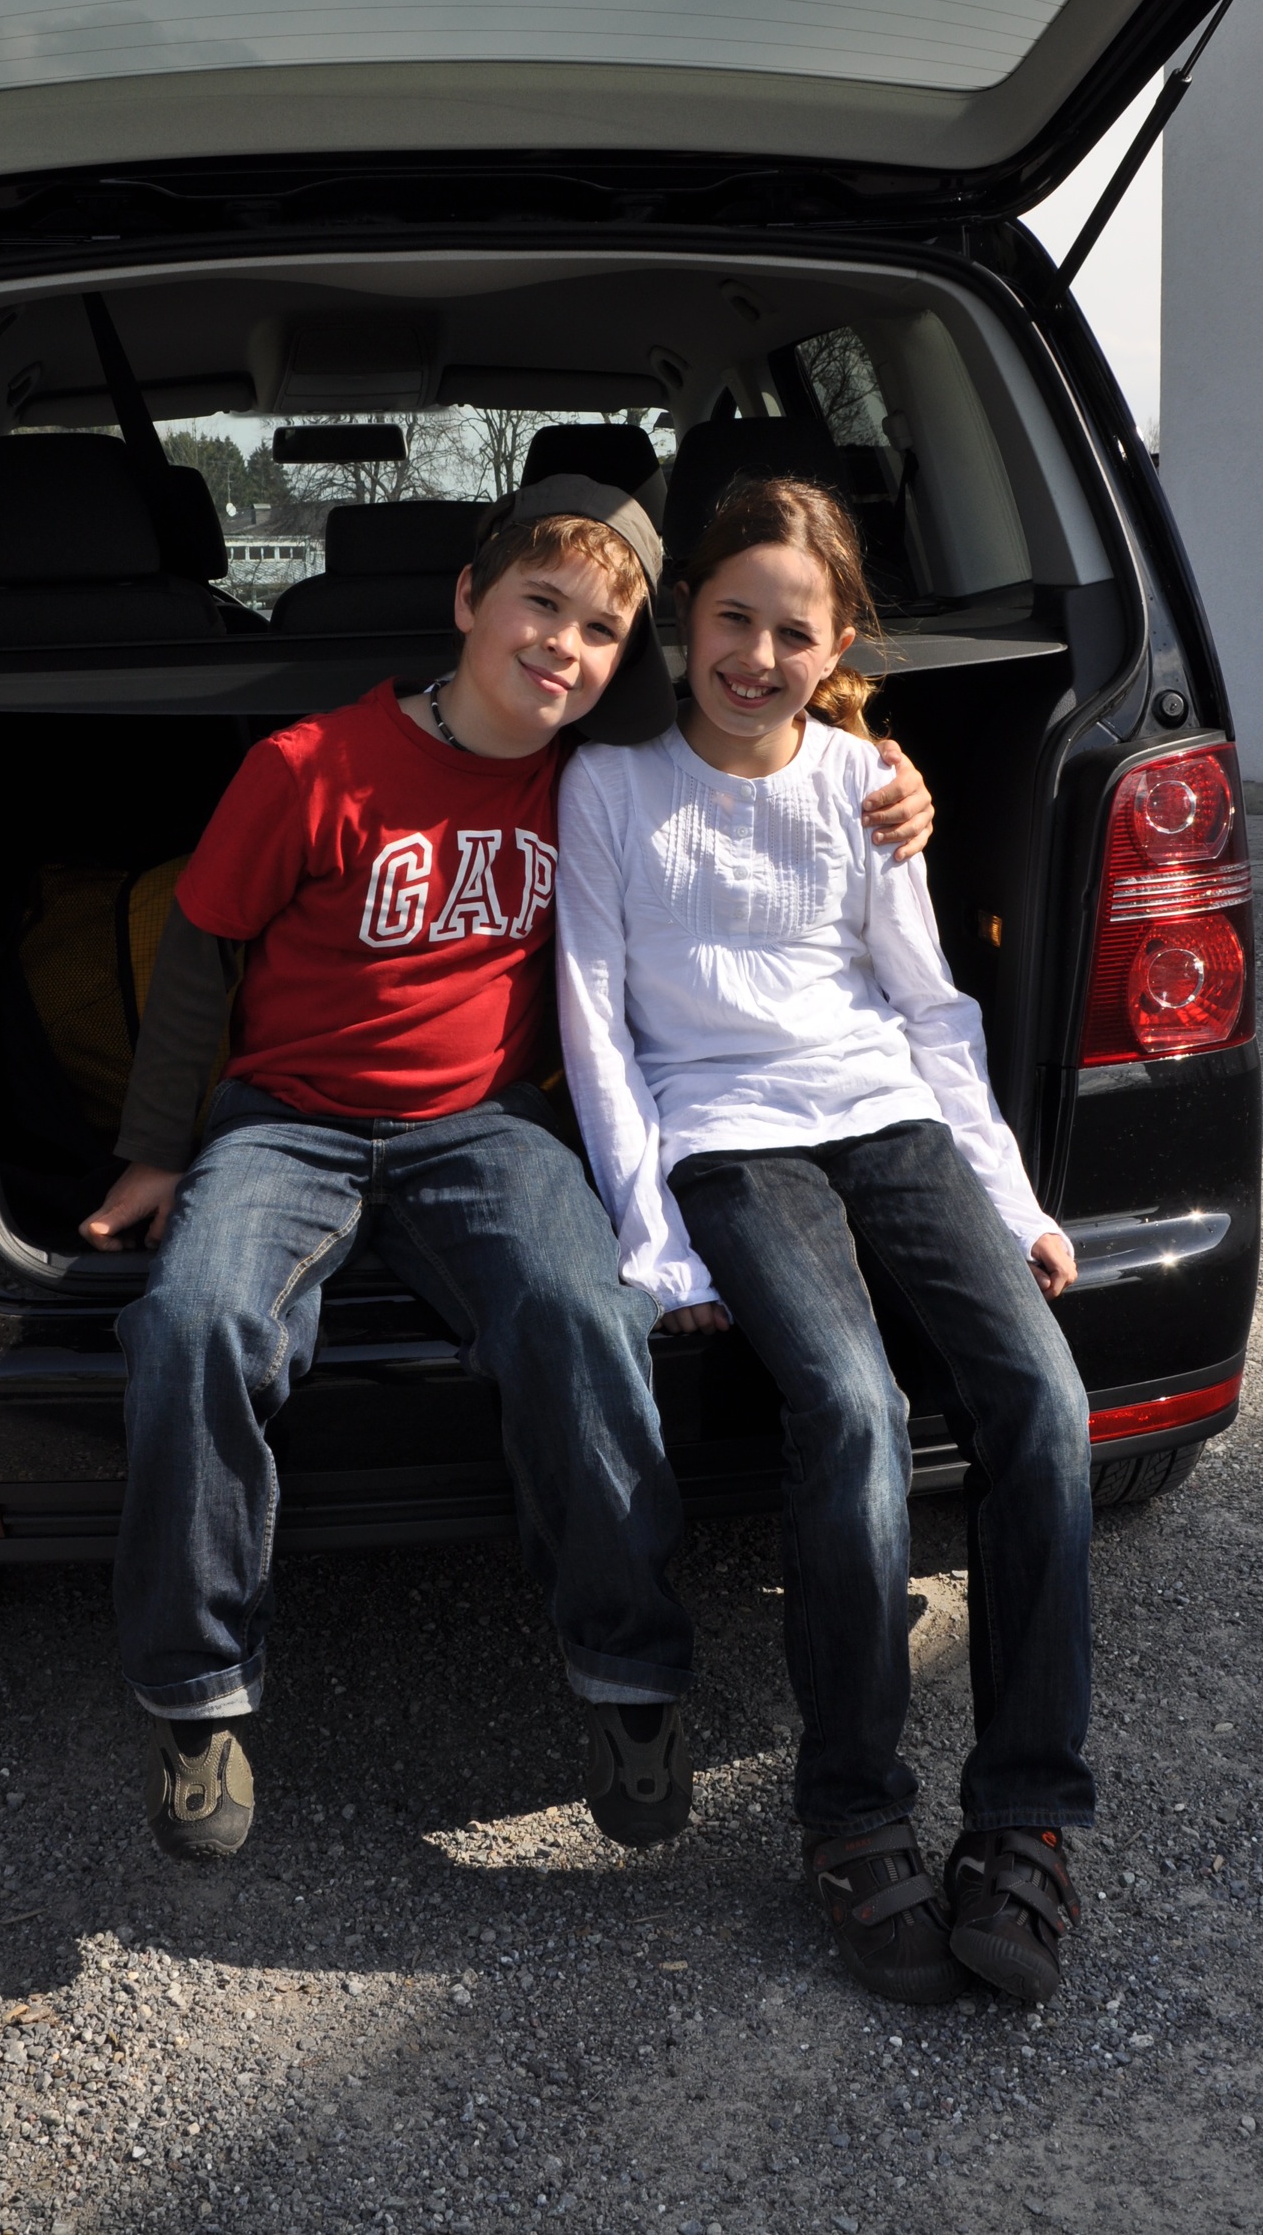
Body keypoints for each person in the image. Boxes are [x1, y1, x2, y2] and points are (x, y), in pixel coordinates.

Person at [81, 473, 935, 1864]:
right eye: (541, 605)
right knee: (195, 1321)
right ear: (469, 598)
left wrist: (889, 773)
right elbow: (198, 951)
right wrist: (152, 1152)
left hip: (484, 1122)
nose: (563, 647)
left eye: (603, 632)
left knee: (588, 1315)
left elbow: (765, 731)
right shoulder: (307, 767)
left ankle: (631, 1676)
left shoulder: (599, 771)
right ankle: (198, 1696)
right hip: (288, 1119)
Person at [555, 475, 1094, 2006]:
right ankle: (853, 1814)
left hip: (887, 1116)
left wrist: (1012, 1199)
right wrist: (656, 1240)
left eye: (795, 632)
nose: (757, 656)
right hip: (727, 1136)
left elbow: (929, 1008)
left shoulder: (867, 781)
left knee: (1046, 1403)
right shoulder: (612, 788)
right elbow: (597, 1031)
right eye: (732, 619)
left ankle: (1029, 1810)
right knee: (853, 1413)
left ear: (840, 641)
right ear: (684, 620)